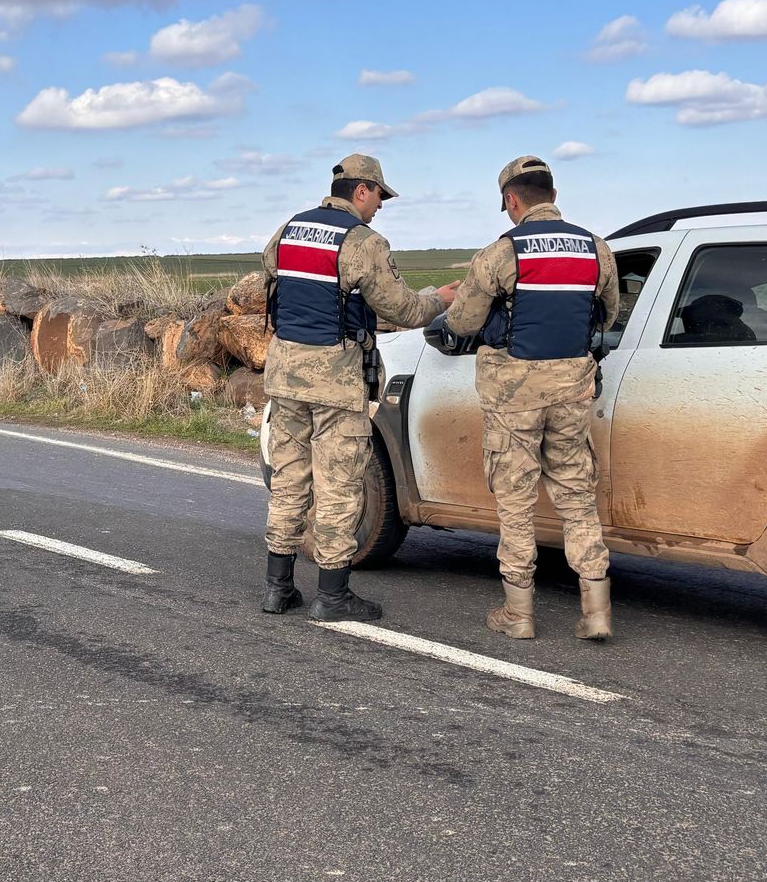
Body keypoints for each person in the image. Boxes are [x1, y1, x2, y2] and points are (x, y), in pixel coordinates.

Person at [260, 154, 455, 622]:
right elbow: (403, 309)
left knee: (288, 482)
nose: (381, 207)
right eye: (380, 197)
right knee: (339, 485)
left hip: (284, 374)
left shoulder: (289, 229)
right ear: (362, 189)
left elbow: (274, 280)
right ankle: (332, 595)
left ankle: (278, 589)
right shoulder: (364, 242)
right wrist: (440, 300)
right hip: (335, 380)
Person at [442, 155, 621, 641]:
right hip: (571, 390)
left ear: (511, 200)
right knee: (577, 496)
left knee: (516, 500)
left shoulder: (501, 253)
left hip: (513, 394)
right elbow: (606, 315)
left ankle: (518, 613)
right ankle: (596, 610)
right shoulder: (596, 249)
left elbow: (461, 323)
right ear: (554, 196)